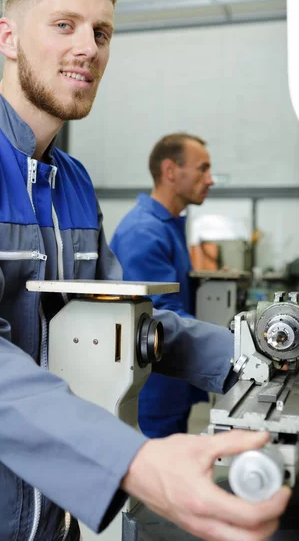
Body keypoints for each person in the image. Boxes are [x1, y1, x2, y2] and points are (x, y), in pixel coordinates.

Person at [0, 0, 290, 541]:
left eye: (101, 32)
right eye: (64, 25)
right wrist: (130, 461)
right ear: (8, 37)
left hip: (55, 507)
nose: (89, 47)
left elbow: (128, 322)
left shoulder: (73, 182)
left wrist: (253, 360)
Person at [110, 133, 214, 438]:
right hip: (152, 392)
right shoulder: (144, 232)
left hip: (171, 387)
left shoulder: (167, 227)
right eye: (202, 169)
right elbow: (158, 315)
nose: (210, 180)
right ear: (170, 171)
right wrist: (235, 348)